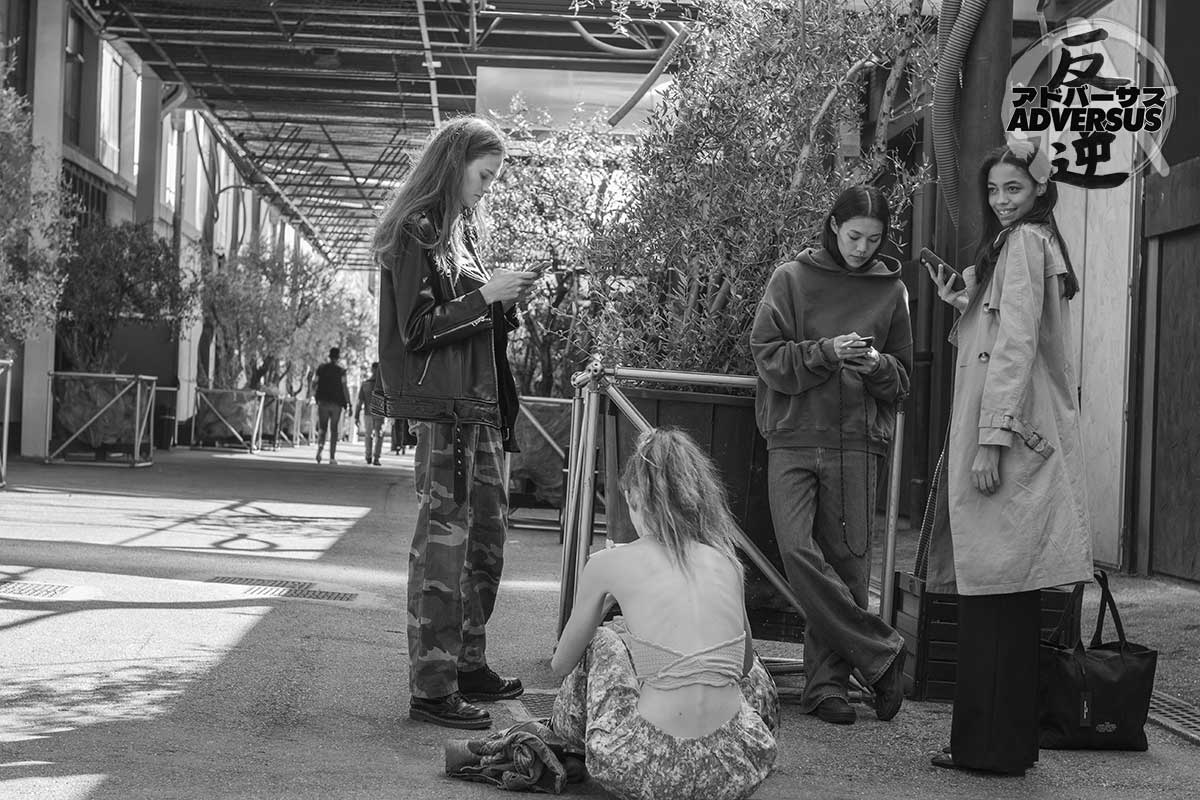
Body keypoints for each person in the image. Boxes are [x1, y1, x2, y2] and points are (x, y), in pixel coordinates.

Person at [923, 139, 1093, 775]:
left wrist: (991, 439)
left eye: (1013, 190)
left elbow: (1016, 347)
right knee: (1007, 596)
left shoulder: (1022, 244)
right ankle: (1003, 745)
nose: (1001, 201)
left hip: (1009, 437)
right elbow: (1009, 328)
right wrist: (963, 301)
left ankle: (984, 748)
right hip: (1024, 430)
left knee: (992, 598)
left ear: (1040, 190)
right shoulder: (1034, 242)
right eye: (994, 190)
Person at [372, 114, 539, 730]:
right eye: (484, 174)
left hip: (478, 409)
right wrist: (485, 298)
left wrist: (497, 302)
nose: (488, 187)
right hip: (447, 413)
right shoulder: (420, 229)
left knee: (485, 547)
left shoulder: (457, 229)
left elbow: (459, 317)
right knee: (444, 551)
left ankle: (466, 664)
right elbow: (416, 330)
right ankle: (433, 687)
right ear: (454, 162)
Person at [749, 185, 910, 726]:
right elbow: (766, 355)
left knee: (848, 562)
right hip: (793, 435)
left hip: (858, 441)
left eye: (874, 239)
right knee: (797, 551)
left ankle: (828, 688)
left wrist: (876, 367)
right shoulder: (790, 279)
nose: (863, 247)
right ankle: (882, 653)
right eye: (854, 235)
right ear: (833, 226)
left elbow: (904, 379)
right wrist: (826, 352)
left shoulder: (892, 290)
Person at [549, 428, 778, 800]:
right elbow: (745, 664)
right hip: (734, 767)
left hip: (644, 767)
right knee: (747, 670)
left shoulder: (608, 564)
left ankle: (570, 748)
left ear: (636, 496)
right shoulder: (726, 561)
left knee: (604, 642)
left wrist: (610, 615)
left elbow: (561, 664)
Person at [312, 346, 351, 465]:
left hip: (323, 402)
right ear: (338, 357)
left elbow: (314, 383)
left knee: (322, 428)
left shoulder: (321, 368)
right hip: (336, 404)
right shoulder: (341, 371)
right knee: (334, 430)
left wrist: (315, 396)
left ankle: (319, 451)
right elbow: (344, 387)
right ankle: (332, 457)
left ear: (329, 356)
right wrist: (349, 403)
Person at [354, 361, 385, 465]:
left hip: (370, 413)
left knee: (369, 435)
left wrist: (356, 416)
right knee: (378, 435)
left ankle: (369, 456)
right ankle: (375, 457)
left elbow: (359, 403)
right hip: (379, 413)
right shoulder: (383, 386)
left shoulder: (366, 384)